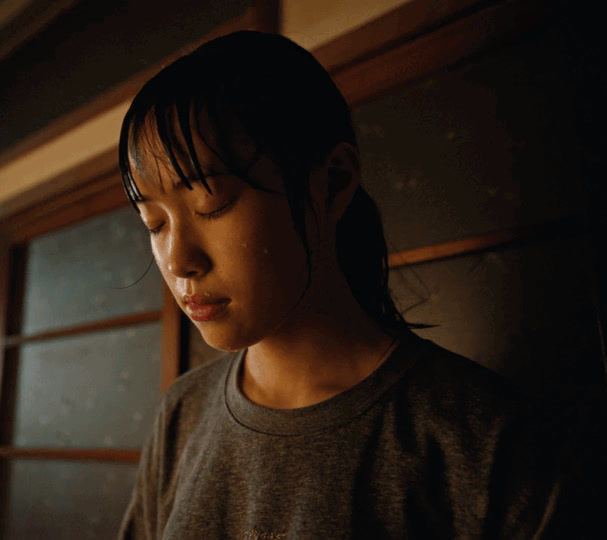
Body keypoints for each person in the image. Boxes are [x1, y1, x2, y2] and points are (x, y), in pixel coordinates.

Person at [116, 30, 582, 539]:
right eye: (154, 225)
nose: (179, 260)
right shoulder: (183, 412)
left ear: (333, 181)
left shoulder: (482, 439)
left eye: (212, 204)